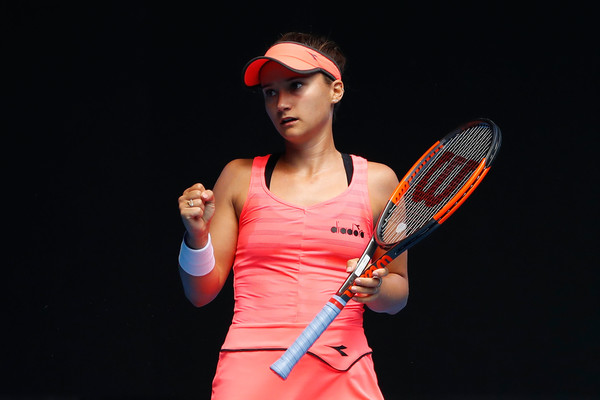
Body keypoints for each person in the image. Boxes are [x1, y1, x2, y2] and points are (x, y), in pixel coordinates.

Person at [177, 32, 409, 399]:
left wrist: (377, 290)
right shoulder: (237, 178)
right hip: (250, 371)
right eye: (270, 92)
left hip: (343, 369)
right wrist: (195, 236)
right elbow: (201, 293)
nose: (281, 103)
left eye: (296, 85)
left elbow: (399, 293)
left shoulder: (379, 182)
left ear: (336, 90)